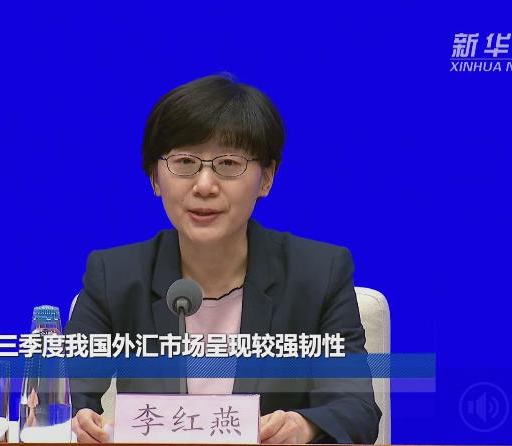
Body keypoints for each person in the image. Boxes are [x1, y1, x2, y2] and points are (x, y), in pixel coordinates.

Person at [65, 74, 381, 444]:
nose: (204, 186)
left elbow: (356, 408)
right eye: (185, 161)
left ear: (267, 178)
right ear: (155, 177)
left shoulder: (318, 274)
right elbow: (61, 391)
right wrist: (77, 422)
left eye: (229, 163)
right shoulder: (114, 276)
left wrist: (303, 427)